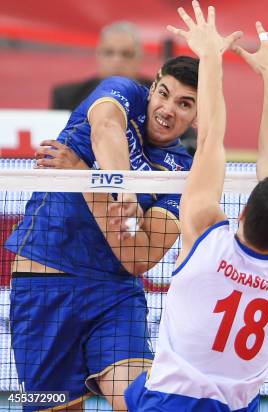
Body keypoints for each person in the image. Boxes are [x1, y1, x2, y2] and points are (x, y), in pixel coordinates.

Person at [124, 3, 268, 411]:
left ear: (242, 214)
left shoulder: (209, 237)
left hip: (171, 400)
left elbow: (210, 138)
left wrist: (212, 56)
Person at [5, 54, 200, 410]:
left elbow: (137, 258)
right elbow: (106, 128)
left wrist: (82, 175)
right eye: (164, 93)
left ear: (196, 117)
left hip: (113, 294)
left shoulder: (182, 171)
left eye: (184, 104)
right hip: (43, 284)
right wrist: (121, 190)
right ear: (153, 85)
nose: (168, 109)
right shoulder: (121, 91)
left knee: (143, 403)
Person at [51, 21, 152, 111]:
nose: (117, 61)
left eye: (126, 54)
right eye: (109, 53)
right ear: (98, 55)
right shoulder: (67, 97)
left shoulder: (155, 96)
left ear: (139, 58)